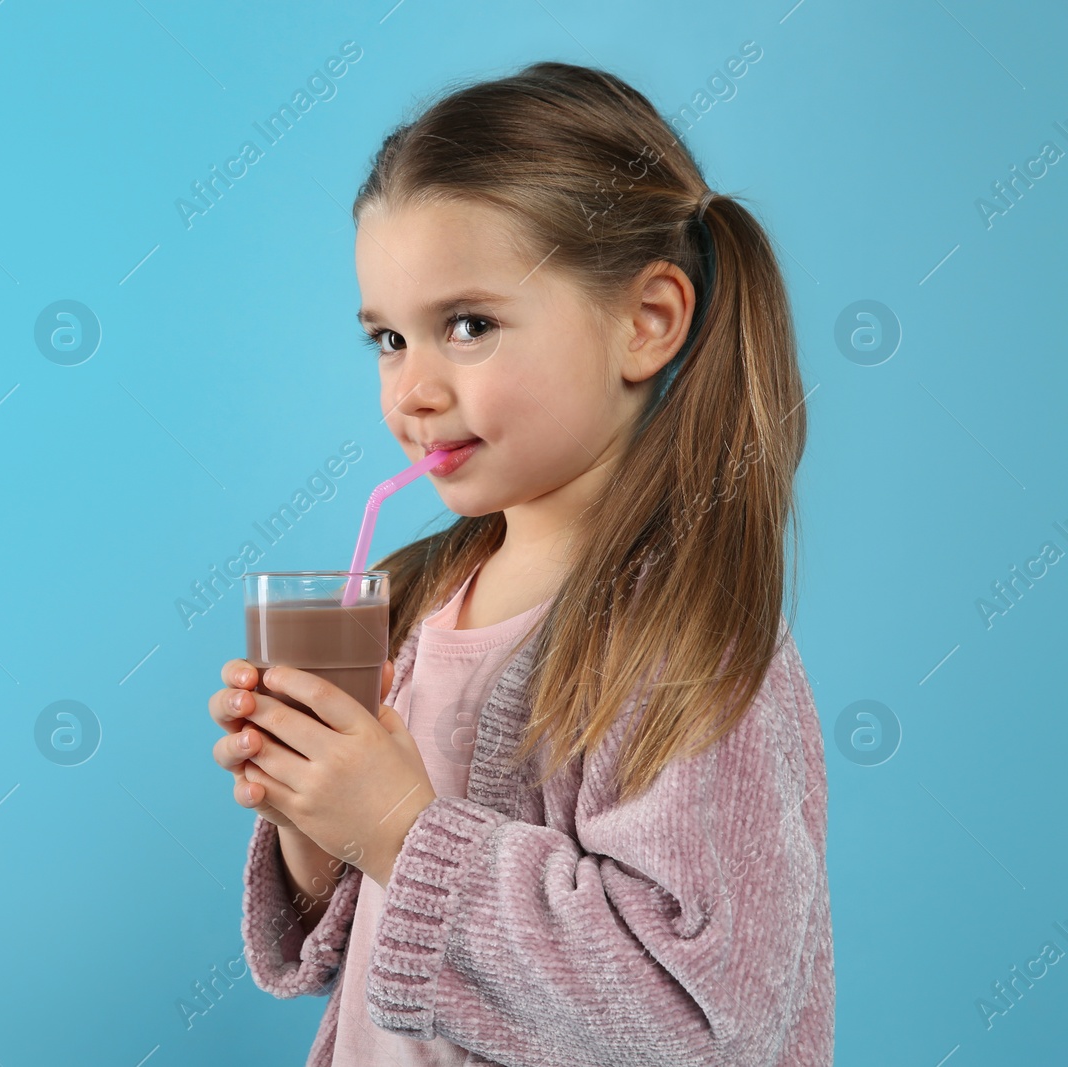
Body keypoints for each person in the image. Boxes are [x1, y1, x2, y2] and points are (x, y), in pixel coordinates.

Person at [205, 60, 832, 1066]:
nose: (410, 388)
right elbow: (364, 945)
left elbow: (702, 1019)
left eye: (468, 326)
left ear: (647, 321)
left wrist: (400, 829)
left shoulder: (683, 641)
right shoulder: (412, 600)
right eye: (385, 338)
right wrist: (312, 818)